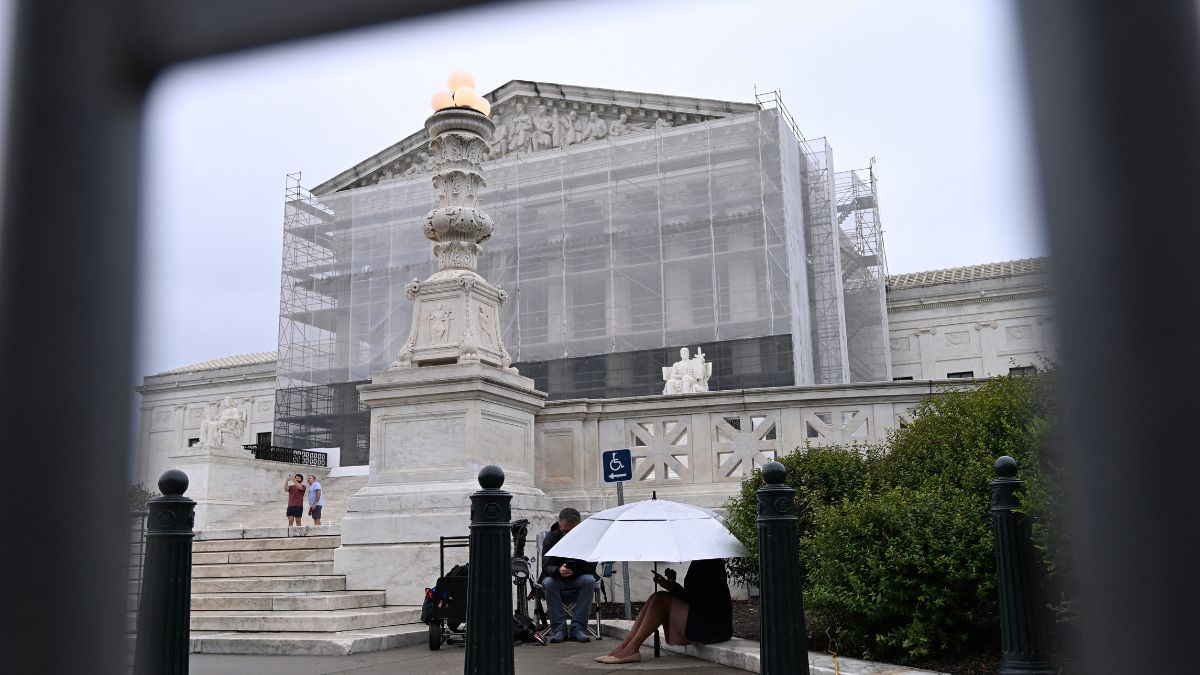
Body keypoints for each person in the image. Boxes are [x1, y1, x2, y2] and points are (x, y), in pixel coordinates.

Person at [595, 558, 732, 664]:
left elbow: (700, 601)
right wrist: (672, 586)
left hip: (712, 627)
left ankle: (632, 649)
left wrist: (673, 588)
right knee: (656, 597)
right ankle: (625, 646)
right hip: (705, 619)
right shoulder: (701, 561)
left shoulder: (710, 563)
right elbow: (695, 596)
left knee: (660, 598)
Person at [541, 507, 597, 644]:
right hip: (557, 579)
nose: (568, 535)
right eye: (565, 531)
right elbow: (546, 566)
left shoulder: (587, 537)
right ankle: (559, 628)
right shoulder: (551, 537)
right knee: (548, 583)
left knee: (589, 581)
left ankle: (578, 628)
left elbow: (592, 565)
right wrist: (558, 570)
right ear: (559, 524)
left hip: (579, 577)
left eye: (573, 531)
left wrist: (574, 568)